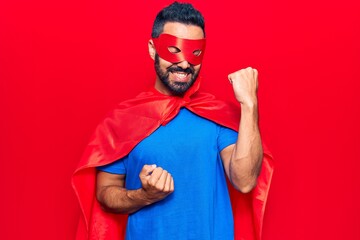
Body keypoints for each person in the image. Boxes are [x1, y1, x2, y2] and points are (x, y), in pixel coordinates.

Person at [72, 2, 274, 240]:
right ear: (152, 48)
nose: (185, 64)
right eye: (174, 50)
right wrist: (143, 195)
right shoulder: (123, 119)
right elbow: (105, 193)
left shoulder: (217, 114)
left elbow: (245, 181)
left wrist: (250, 104)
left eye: (195, 53)